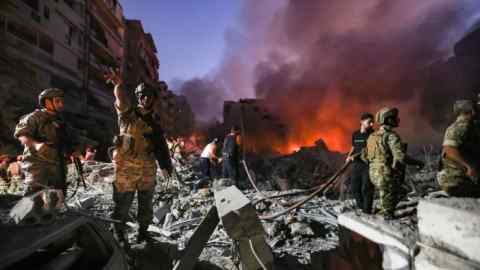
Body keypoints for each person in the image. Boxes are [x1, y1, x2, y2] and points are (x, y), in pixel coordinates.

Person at [105, 69, 172, 244]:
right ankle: (118, 234)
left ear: (153, 99)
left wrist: (166, 166)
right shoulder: (128, 114)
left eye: (149, 96)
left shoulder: (155, 123)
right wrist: (118, 84)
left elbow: (161, 146)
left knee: (146, 204)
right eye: (142, 96)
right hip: (126, 168)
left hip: (147, 168)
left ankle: (143, 233)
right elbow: (120, 99)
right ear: (138, 97)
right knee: (122, 204)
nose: (146, 99)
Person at [13, 88, 81, 199]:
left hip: (58, 165)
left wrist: (74, 150)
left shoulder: (61, 121)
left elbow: (69, 140)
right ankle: (26, 216)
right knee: (34, 196)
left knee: (57, 196)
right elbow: (22, 135)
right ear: (47, 102)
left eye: (62, 101)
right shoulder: (34, 117)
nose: (61, 104)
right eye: (57, 101)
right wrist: (36, 145)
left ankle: (51, 216)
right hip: (38, 164)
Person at [364, 107, 423, 219]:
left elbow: (364, 156)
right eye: (394, 118)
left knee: (395, 192)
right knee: (388, 214)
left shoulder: (372, 136)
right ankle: (385, 216)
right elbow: (401, 157)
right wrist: (418, 162)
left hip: (373, 175)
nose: (397, 120)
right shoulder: (391, 136)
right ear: (388, 120)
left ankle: (385, 207)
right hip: (385, 176)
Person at [437, 100, 480, 197]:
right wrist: (468, 167)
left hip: (458, 179)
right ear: (472, 111)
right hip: (457, 180)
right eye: (477, 108)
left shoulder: (469, 126)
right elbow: (448, 150)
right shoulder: (462, 127)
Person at [346, 113, 374, 213]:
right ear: (361, 122)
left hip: (368, 165)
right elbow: (353, 146)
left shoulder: (372, 135)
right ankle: (362, 208)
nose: (371, 124)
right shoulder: (355, 134)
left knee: (366, 188)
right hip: (356, 165)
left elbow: (368, 150)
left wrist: (355, 156)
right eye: (369, 122)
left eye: (372, 122)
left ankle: (367, 211)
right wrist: (349, 155)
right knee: (354, 188)